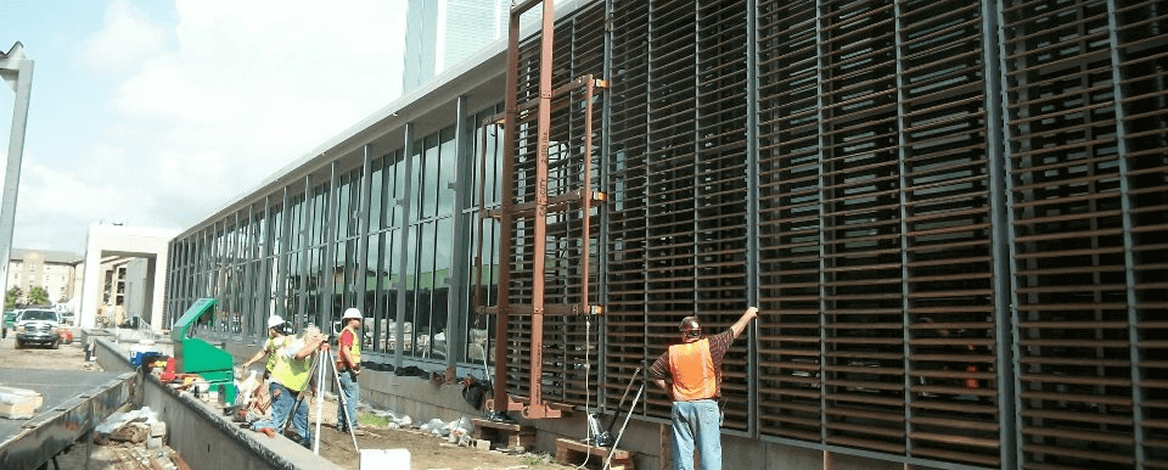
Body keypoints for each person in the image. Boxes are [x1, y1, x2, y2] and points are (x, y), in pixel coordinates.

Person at [649, 306, 759, 470]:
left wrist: (669, 391)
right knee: (709, 455)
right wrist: (749, 314)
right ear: (699, 332)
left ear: (683, 334)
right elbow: (733, 332)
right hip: (705, 408)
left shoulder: (673, 352)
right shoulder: (711, 346)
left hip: (681, 407)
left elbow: (655, 372)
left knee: (682, 455)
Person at [250, 324, 326, 448]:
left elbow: (308, 370)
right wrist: (316, 343)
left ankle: (303, 440)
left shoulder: (311, 351)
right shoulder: (297, 344)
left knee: (302, 413)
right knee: (278, 421)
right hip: (281, 385)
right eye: (315, 339)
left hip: (296, 388)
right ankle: (256, 426)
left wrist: (313, 386)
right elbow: (299, 356)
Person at [335, 307, 363, 433]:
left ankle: (342, 424)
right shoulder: (348, 333)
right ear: (352, 320)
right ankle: (352, 425)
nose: (360, 322)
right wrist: (353, 365)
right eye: (358, 320)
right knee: (352, 397)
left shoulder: (346, 332)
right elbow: (346, 349)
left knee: (344, 397)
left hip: (344, 368)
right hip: (347, 369)